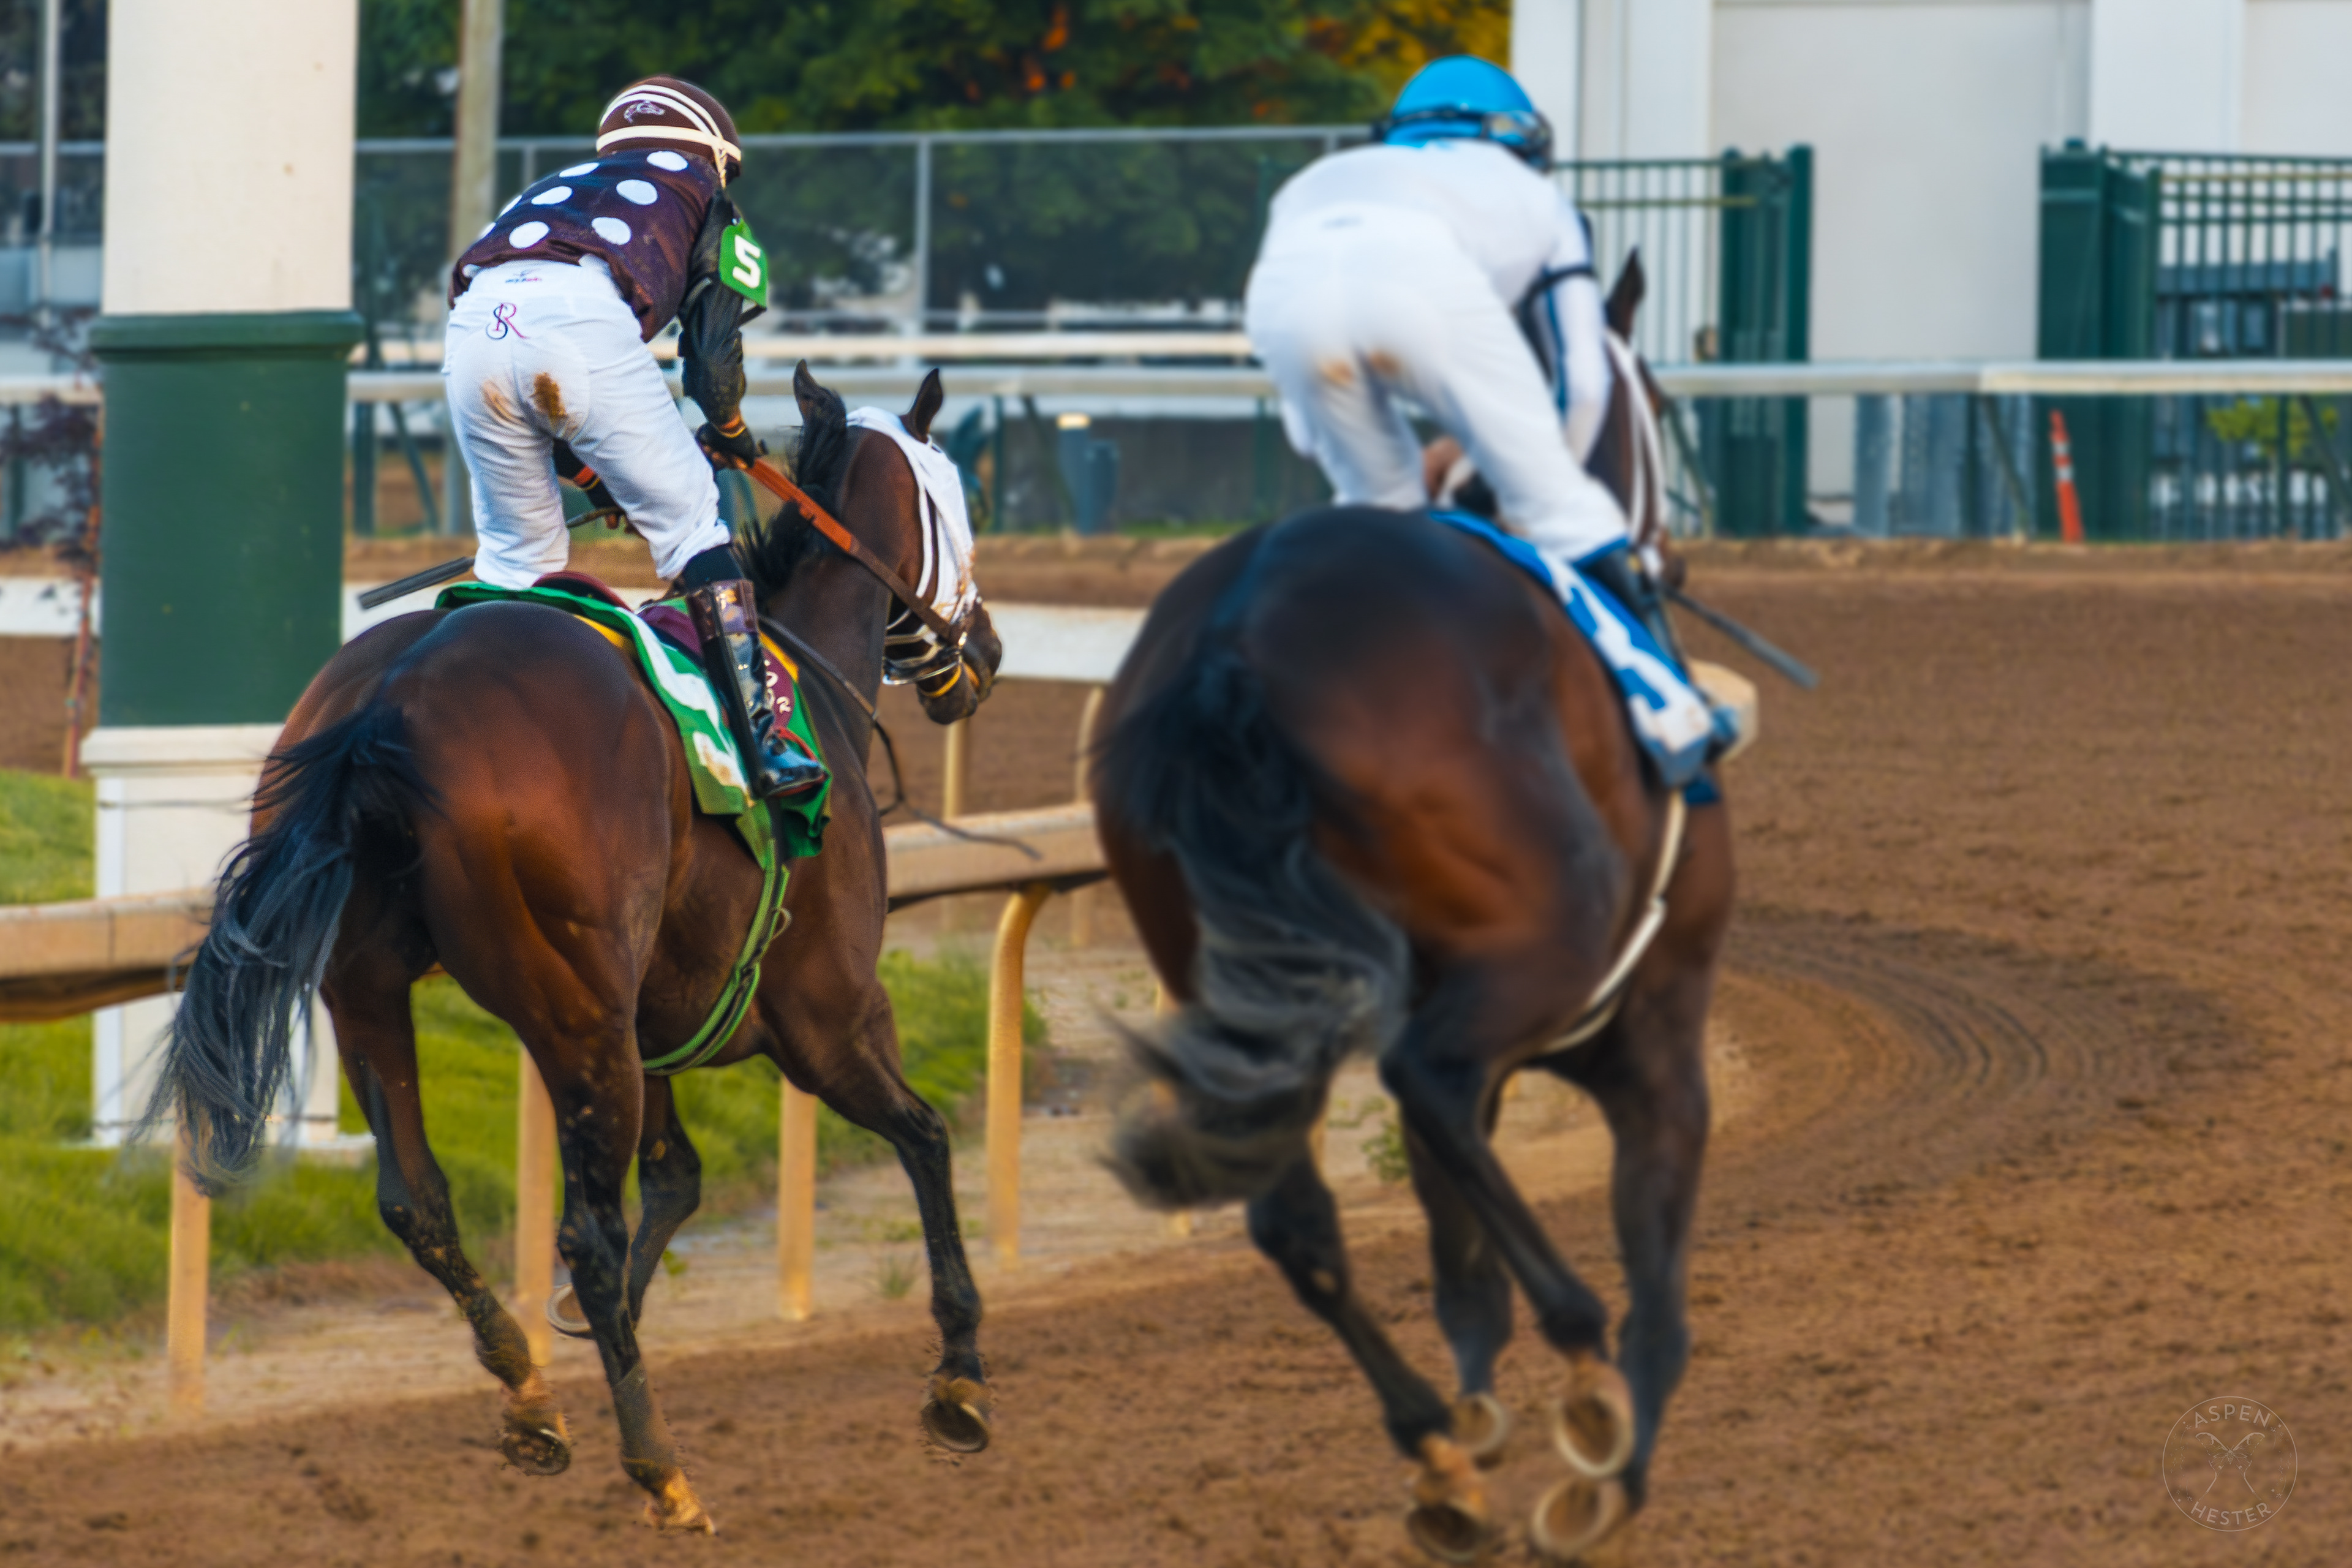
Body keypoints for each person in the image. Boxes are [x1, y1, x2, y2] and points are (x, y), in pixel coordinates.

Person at [1243, 56, 1724, 783]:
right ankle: (1672, 707)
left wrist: (1391, 472)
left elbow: (1305, 435)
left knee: (1379, 518)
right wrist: (1541, 488)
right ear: (1523, 143)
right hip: (1421, 289)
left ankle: (1310, 720)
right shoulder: (1537, 199)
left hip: (1285, 300)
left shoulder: (1313, 184)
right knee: (1572, 512)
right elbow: (1585, 384)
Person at [443, 75, 822, 798]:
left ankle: (475, 727)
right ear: (716, 156)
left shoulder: (550, 189)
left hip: (473, 333)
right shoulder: (708, 196)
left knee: (518, 560)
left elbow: (527, 380)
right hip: (580, 325)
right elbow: (711, 365)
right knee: (693, 530)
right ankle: (764, 743)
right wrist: (730, 431)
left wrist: (596, 478)